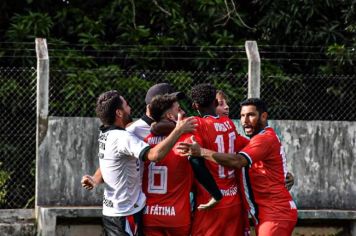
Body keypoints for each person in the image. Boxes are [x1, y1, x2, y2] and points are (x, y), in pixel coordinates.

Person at [178, 98, 298, 236]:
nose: (245, 120)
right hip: (263, 212)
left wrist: (201, 152)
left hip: (275, 213)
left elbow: (238, 161)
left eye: (250, 115)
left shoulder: (263, 139)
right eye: (242, 115)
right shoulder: (243, 138)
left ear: (264, 116)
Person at [94, 90, 196, 236]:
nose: (130, 108)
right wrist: (178, 130)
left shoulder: (106, 134)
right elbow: (154, 155)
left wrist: (94, 179)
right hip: (126, 212)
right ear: (119, 113)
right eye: (127, 105)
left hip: (121, 210)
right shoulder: (126, 136)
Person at [142, 94, 221, 236]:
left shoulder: (145, 142)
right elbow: (198, 166)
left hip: (149, 215)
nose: (183, 112)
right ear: (170, 116)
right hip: (177, 217)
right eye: (178, 109)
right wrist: (216, 194)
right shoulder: (186, 138)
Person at [81, 83, 185, 189]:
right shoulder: (132, 131)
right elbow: (112, 160)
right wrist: (95, 178)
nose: (175, 106)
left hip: (178, 196)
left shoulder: (182, 125)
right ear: (152, 106)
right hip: (146, 200)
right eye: (168, 103)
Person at [188, 84, 250, 236]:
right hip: (233, 199)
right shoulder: (228, 123)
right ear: (215, 103)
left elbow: (195, 160)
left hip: (210, 201)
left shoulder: (197, 123)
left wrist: (215, 194)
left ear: (194, 105)